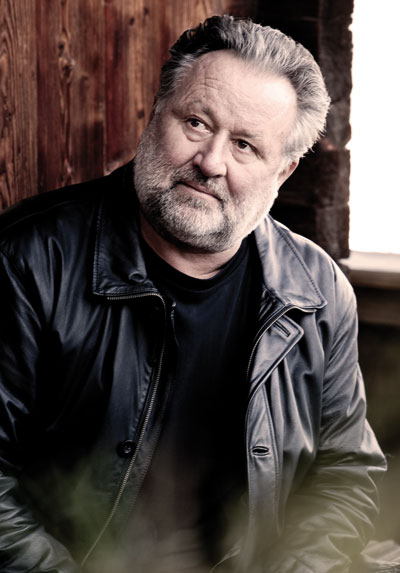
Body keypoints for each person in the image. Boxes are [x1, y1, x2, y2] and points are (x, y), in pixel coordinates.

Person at [0, 14, 387, 573]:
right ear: (156, 113)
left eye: (246, 145)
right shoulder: (27, 260)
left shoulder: (318, 289)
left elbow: (344, 474)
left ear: (283, 173)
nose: (211, 162)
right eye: (197, 123)